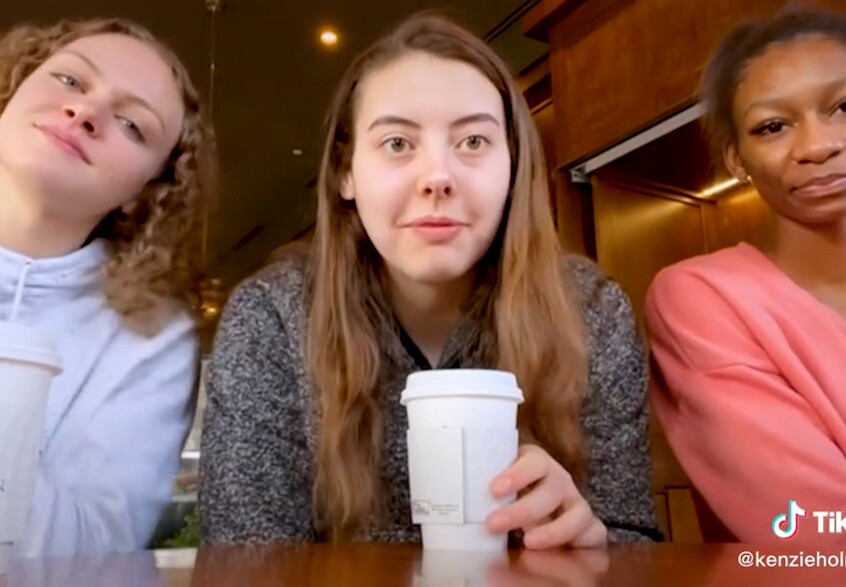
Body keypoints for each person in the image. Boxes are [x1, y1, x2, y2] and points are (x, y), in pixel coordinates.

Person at [199, 13, 659, 548]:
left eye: (473, 142)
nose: (437, 177)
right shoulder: (274, 317)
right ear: (346, 173)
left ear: (513, 168)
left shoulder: (590, 311)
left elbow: (634, 540)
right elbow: (243, 559)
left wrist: (594, 542)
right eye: (397, 143)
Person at [646, 8, 846, 544]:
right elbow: (822, 536)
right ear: (737, 159)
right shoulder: (703, 298)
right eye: (773, 126)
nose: (818, 146)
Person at [0, 18, 215, 555]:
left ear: (143, 194)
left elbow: (94, 549)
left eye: (132, 125)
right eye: (71, 81)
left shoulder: (151, 337)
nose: (86, 113)